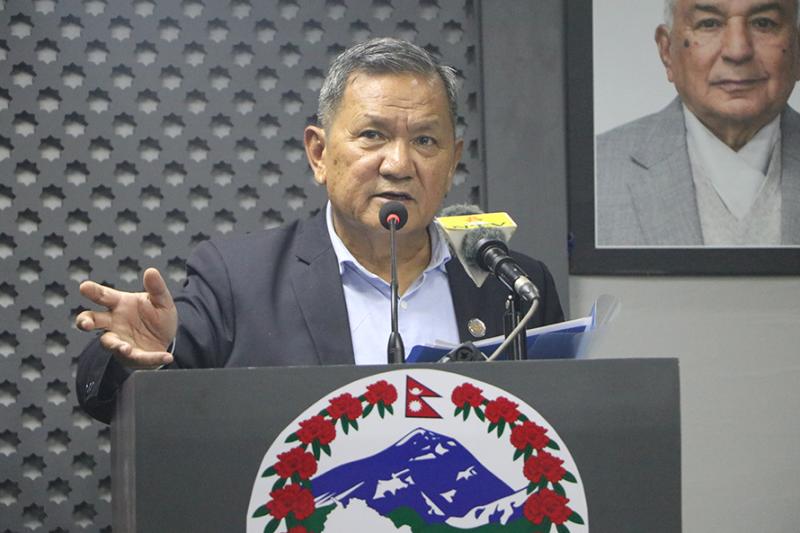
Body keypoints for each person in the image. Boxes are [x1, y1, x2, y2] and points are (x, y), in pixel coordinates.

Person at [75, 38, 565, 424]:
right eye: (372, 135)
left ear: (453, 160)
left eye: (424, 140)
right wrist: (140, 358)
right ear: (319, 154)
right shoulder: (238, 279)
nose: (398, 164)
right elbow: (112, 402)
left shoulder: (516, 284)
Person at [596, 0, 800, 246]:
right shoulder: (596, 171)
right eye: (709, 24)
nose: (738, 51)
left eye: (763, 23)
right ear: (666, 51)